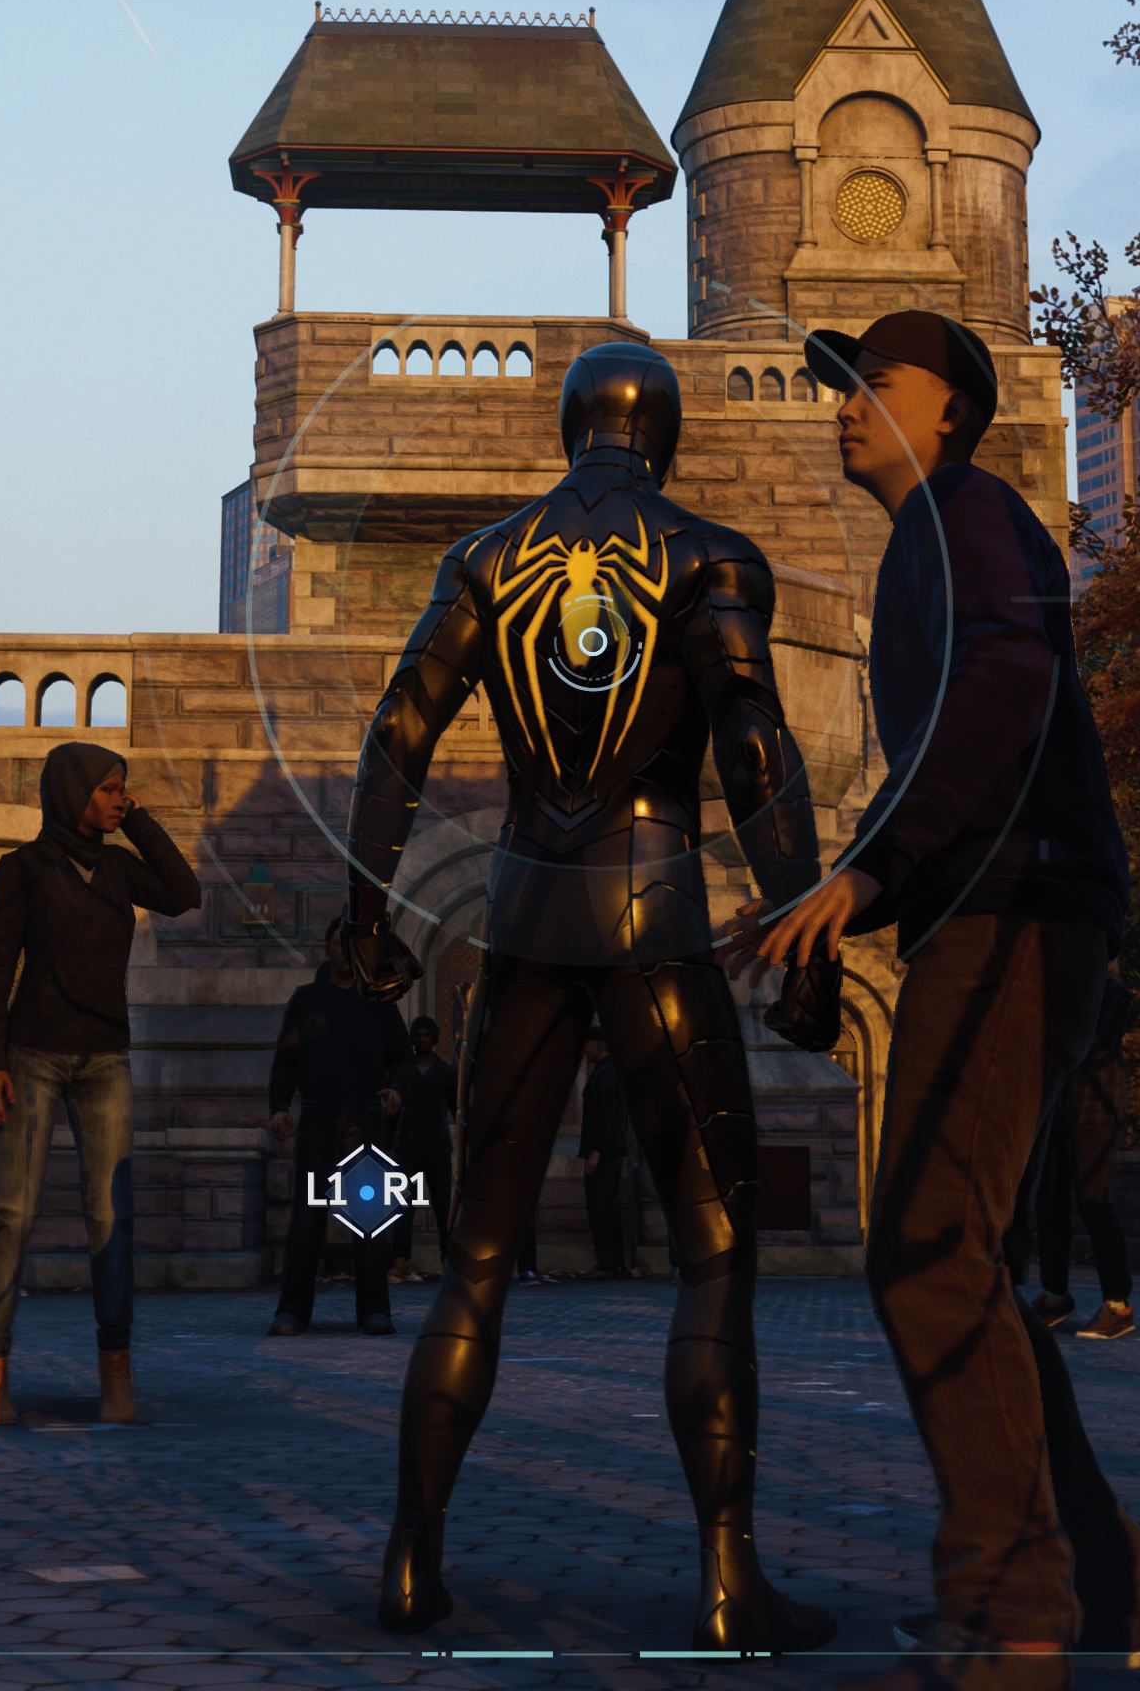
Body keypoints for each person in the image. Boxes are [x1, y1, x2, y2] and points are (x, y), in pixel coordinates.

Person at [340, 342, 836, 1654]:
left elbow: (399, 730)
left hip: (521, 922)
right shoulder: (709, 558)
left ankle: (408, 1560)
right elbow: (749, 737)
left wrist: (362, 919)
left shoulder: (485, 559)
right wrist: (804, 924)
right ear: (663, 436)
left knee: (479, 1268)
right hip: (654, 909)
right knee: (715, 1253)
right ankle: (730, 1580)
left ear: (571, 433)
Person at [743, 310, 1140, 1685]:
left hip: (1018, 917)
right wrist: (858, 890)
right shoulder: (934, 541)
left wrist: (872, 874)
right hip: (1000, 911)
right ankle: (1086, 1569)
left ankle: (1012, 1609)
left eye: (875, 382)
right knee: (956, 1248)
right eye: (841, 386)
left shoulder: (964, 516)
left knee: (921, 1244)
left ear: (951, 411)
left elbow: (1009, 685)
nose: (846, 403)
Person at [0, 742, 197, 1426]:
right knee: (14, 1214)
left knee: (112, 1219)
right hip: (31, 1054)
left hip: (105, 1059)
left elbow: (184, 895)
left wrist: (141, 820)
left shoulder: (121, 869)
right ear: (70, 793)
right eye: (105, 790)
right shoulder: (24, 869)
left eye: (121, 789)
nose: (115, 800)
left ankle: (115, 1372)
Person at [267, 942, 408, 1337]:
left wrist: (396, 1088)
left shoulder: (380, 1000)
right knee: (307, 1218)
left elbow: (402, 1057)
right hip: (317, 1117)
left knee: (370, 1219)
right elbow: (287, 1058)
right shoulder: (307, 999)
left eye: (353, 943)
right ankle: (292, 1311)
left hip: (365, 1118)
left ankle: (375, 1310)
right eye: (340, 942)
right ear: (328, 949)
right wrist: (279, 1105)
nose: (347, 951)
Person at [1039, 980, 1138, 1340]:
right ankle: (1055, 1296)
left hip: (1096, 1108)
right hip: (1058, 1109)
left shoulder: (1109, 992)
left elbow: (1099, 1045)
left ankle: (1118, 1305)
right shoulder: (1057, 992)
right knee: (1048, 1202)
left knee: (1095, 1202)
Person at [392, 1017, 455, 1281]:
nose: (422, 1040)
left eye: (427, 1035)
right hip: (408, 1146)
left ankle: (448, 1260)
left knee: (444, 1207)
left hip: (438, 1146)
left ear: (435, 1038)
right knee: (403, 1207)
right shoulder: (402, 1071)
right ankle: (400, 1260)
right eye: (418, 1035)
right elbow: (392, 1110)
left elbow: (457, 1109)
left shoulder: (446, 1072)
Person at [576, 1051, 636, 1278]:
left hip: (604, 1152)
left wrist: (595, 1153)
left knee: (600, 1207)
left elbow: (607, 1118)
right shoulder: (607, 1071)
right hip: (607, 1151)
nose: (586, 1051)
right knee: (606, 1207)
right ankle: (614, 1261)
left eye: (588, 1045)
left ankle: (607, 1263)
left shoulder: (606, 1073)